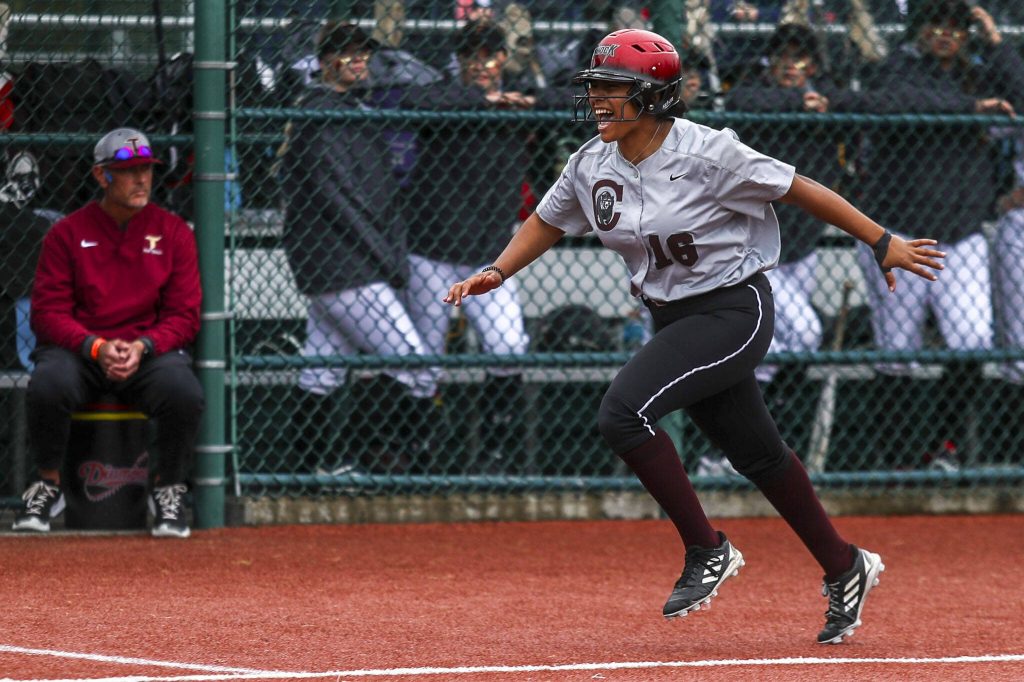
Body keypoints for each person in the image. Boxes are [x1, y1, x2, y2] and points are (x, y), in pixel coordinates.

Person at [443, 28, 945, 643]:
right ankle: (847, 565)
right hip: (673, 316)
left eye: (615, 88)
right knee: (757, 455)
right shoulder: (591, 162)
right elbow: (547, 221)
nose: (598, 98)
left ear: (654, 96)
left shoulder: (707, 152)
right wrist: (496, 271)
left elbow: (798, 187)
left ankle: (707, 549)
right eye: (595, 86)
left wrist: (882, 241)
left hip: (734, 310)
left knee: (621, 415)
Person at [849, 0, 1024, 468]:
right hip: (896, 230)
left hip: (960, 232)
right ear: (921, 31)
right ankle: (898, 459)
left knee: (972, 342)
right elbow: (891, 101)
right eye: (937, 25)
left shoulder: (979, 74)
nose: (946, 34)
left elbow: (1021, 93)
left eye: (956, 27)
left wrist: (996, 40)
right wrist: (969, 108)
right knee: (896, 350)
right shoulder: (898, 67)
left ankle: (943, 447)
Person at [11, 127, 205, 538]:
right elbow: (46, 314)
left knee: (184, 390)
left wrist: (144, 346)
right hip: (83, 350)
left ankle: (168, 489)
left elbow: (185, 316)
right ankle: (48, 484)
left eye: (147, 170)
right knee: (48, 382)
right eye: (129, 171)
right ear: (102, 176)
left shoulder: (174, 232)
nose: (141, 180)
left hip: (145, 351)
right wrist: (94, 345)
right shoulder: (66, 233)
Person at [278, 22, 439, 475]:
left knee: (321, 370)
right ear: (326, 60)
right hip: (346, 264)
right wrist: (388, 259)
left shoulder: (349, 106)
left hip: (341, 263)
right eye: (347, 53)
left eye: (362, 52)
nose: (359, 59)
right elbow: (339, 199)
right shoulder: (321, 111)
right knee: (416, 366)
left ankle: (304, 470)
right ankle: (383, 459)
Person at [401, 20, 540, 472]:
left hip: (489, 256)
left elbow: (571, 102)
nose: (482, 64)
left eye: (491, 55)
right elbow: (413, 101)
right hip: (430, 250)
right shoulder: (445, 94)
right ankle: (418, 454)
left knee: (507, 347)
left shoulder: (520, 95)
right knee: (424, 357)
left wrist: (524, 100)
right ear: (459, 60)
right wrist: (484, 100)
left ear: (504, 58)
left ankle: (498, 453)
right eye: (473, 56)